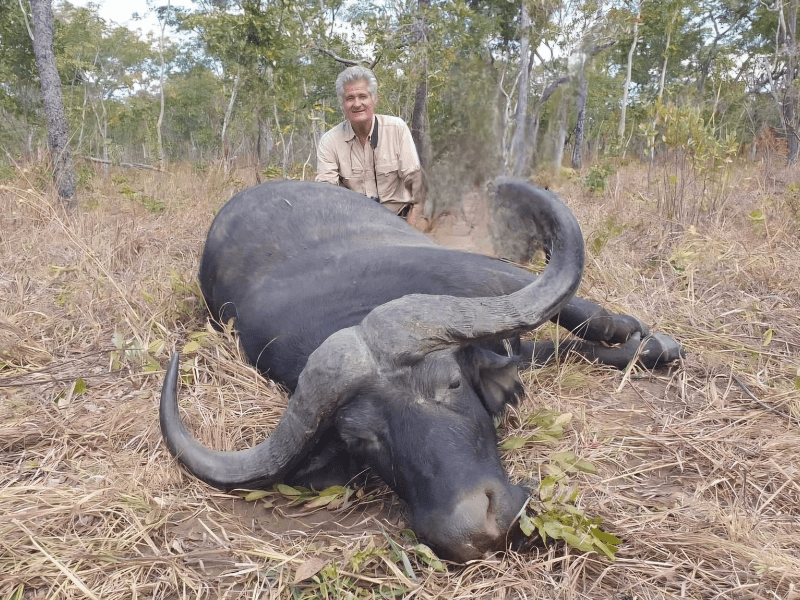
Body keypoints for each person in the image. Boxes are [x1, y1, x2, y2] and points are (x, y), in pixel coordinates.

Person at [316, 66, 427, 224]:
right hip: (355, 225)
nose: (357, 103)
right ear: (342, 104)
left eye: (363, 96)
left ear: (374, 99)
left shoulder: (397, 129)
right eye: (350, 98)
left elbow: (416, 182)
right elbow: (326, 193)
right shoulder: (330, 141)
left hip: (398, 220)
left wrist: (413, 222)